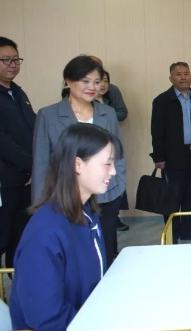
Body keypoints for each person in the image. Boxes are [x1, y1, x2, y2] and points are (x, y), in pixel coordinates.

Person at [10, 123, 122, 331]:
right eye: (107, 164)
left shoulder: (87, 213)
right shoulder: (45, 233)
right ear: (78, 165)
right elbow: (47, 319)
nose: (113, 171)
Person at [32, 55, 126, 267]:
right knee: (74, 254)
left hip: (106, 196)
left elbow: (118, 153)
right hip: (65, 197)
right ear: (68, 81)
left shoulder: (108, 113)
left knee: (105, 249)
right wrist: (39, 205)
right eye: (85, 81)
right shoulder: (48, 115)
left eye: (97, 81)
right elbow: (41, 163)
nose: (92, 87)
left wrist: (118, 185)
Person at [150, 62, 191, 242]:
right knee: (172, 196)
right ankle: (173, 232)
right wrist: (159, 156)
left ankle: (189, 230)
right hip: (173, 156)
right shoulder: (162, 101)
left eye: (186, 73)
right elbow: (157, 131)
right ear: (171, 78)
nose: (183, 77)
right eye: (178, 74)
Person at [0, 37, 36, 270]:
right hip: (5, 180)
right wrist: (30, 164)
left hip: (26, 179)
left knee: (21, 236)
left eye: (16, 59)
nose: (12, 64)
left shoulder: (18, 93)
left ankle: (17, 283)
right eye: (6, 60)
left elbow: (32, 130)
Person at [89, 57, 130, 232]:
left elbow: (123, 112)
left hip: (109, 154)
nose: (100, 84)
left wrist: (109, 116)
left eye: (102, 80)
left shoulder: (112, 95)